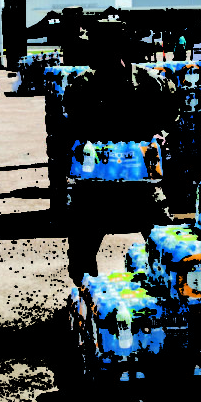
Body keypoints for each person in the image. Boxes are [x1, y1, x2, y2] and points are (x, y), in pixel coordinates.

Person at [60, 20, 179, 285]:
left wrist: (162, 136)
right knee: (81, 253)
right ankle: (89, 303)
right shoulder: (82, 85)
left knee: (168, 243)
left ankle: (168, 300)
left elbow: (172, 118)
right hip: (95, 185)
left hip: (140, 182)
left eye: (107, 49)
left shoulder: (151, 83)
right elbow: (70, 126)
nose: (98, 55)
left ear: (121, 49)